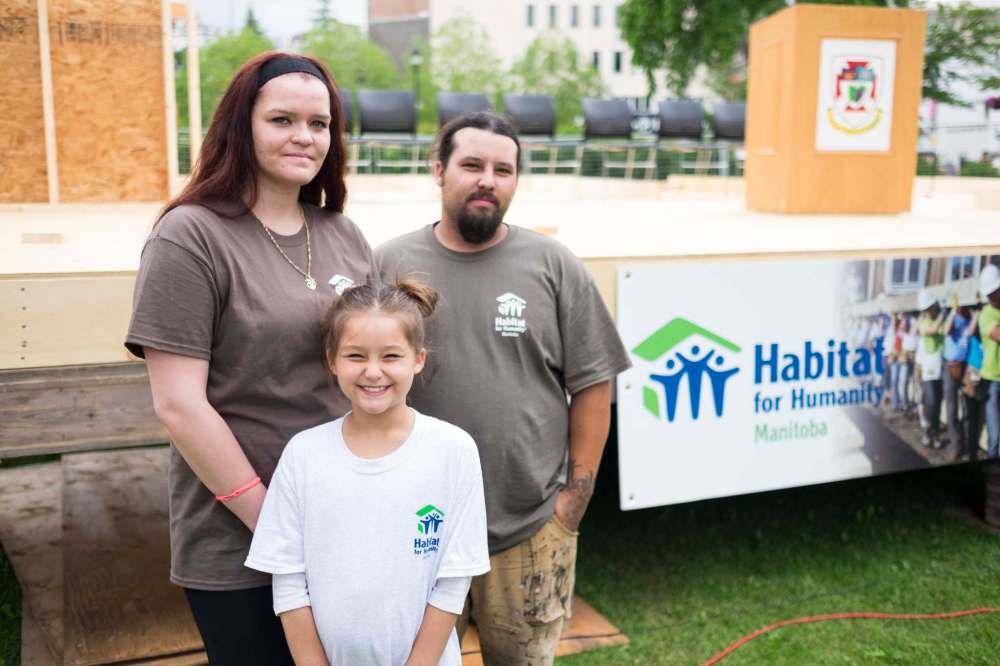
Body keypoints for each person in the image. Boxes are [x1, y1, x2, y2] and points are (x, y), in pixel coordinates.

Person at [125, 52, 375, 663]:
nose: (304, 137)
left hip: (342, 522)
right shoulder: (190, 235)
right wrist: (277, 526)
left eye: (320, 125)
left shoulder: (341, 232)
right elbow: (179, 405)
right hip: (238, 541)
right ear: (242, 125)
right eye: (282, 119)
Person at [375, 112, 632, 664]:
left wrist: (572, 504)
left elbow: (593, 383)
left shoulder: (554, 265)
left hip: (531, 530)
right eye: (472, 165)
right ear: (438, 170)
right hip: (416, 528)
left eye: (503, 169)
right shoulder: (389, 263)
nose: (487, 179)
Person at [246, 280, 490, 665]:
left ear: (419, 359)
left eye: (391, 356)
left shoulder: (453, 451)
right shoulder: (304, 455)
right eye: (356, 356)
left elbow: (453, 581)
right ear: (332, 360)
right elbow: (289, 582)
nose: (373, 372)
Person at [916, 290, 946, 447]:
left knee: (938, 404)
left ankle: (935, 435)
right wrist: (943, 314)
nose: (935, 309)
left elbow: (944, 331)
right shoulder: (923, 323)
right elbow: (933, 330)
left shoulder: (937, 321)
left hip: (940, 367)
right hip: (928, 370)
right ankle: (927, 432)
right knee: (931, 402)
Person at [978, 264, 1000, 458]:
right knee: (995, 436)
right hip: (992, 381)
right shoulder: (985, 314)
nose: (991, 297)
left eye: (994, 292)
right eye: (989, 294)